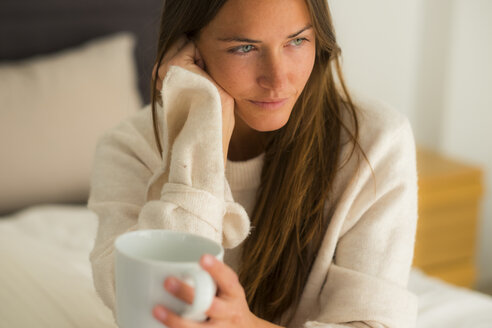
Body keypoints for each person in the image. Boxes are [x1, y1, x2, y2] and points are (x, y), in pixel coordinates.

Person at [88, 0, 419, 327]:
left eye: (297, 41)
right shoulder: (129, 149)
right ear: (187, 49)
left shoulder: (375, 144)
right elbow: (159, 315)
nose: (277, 80)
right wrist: (200, 140)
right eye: (244, 48)